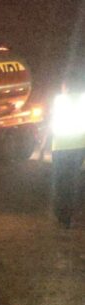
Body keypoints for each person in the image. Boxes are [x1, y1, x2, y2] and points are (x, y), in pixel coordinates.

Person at [51, 81, 85, 228]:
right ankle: (70, 215)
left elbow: (53, 123)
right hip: (79, 147)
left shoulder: (60, 100)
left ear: (65, 86)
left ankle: (62, 215)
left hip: (61, 147)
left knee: (61, 183)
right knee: (73, 181)